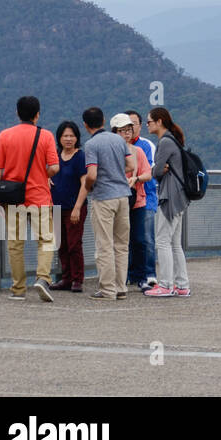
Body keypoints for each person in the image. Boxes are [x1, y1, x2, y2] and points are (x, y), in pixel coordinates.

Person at [0, 96, 60, 302]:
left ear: (17, 113)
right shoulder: (45, 136)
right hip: (39, 197)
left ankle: (18, 289)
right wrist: (43, 175)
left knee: (15, 244)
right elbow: (54, 167)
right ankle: (42, 278)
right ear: (37, 114)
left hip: (12, 199)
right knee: (46, 240)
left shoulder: (5, 136)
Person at [78, 107, 135, 300]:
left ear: (85, 125)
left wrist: (89, 185)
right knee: (121, 245)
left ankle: (107, 289)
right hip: (123, 196)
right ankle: (121, 288)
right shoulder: (119, 140)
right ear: (103, 121)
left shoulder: (91, 145)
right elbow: (131, 166)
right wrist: (117, 173)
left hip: (103, 197)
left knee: (104, 244)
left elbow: (92, 174)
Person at [145, 107, 189, 297]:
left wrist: (160, 169)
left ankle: (165, 284)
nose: (147, 125)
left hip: (169, 197)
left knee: (162, 240)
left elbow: (155, 172)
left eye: (149, 122)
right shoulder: (174, 140)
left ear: (159, 121)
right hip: (180, 197)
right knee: (174, 243)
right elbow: (160, 169)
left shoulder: (165, 142)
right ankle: (181, 285)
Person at [112, 114, 152, 290]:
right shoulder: (112, 152)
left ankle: (140, 276)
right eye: (122, 131)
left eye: (129, 130)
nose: (127, 134)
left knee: (139, 240)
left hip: (137, 201)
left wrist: (136, 179)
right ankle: (122, 276)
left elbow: (148, 174)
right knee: (120, 240)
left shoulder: (138, 151)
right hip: (116, 200)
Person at [49, 121, 88, 292]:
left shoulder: (80, 157)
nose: (68, 139)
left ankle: (77, 279)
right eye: (65, 136)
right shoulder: (55, 156)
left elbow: (85, 183)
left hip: (74, 207)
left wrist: (77, 207)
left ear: (77, 138)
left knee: (74, 244)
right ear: (59, 138)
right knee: (61, 244)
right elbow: (45, 172)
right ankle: (66, 278)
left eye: (72, 136)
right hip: (56, 207)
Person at [126, 110, 158, 289]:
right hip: (125, 199)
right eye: (126, 125)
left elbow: (150, 170)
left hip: (146, 198)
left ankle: (149, 274)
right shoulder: (119, 146)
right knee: (129, 239)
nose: (129, 129)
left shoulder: (146, 145)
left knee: (145, 238)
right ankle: (133, 274)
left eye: (134, 124)